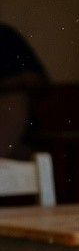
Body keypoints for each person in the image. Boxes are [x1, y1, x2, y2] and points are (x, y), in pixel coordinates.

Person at [0, 22, 49, 160]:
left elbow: (37, 81)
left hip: (17, 135)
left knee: (15, 99)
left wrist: (12, 83)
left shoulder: (5, 37)